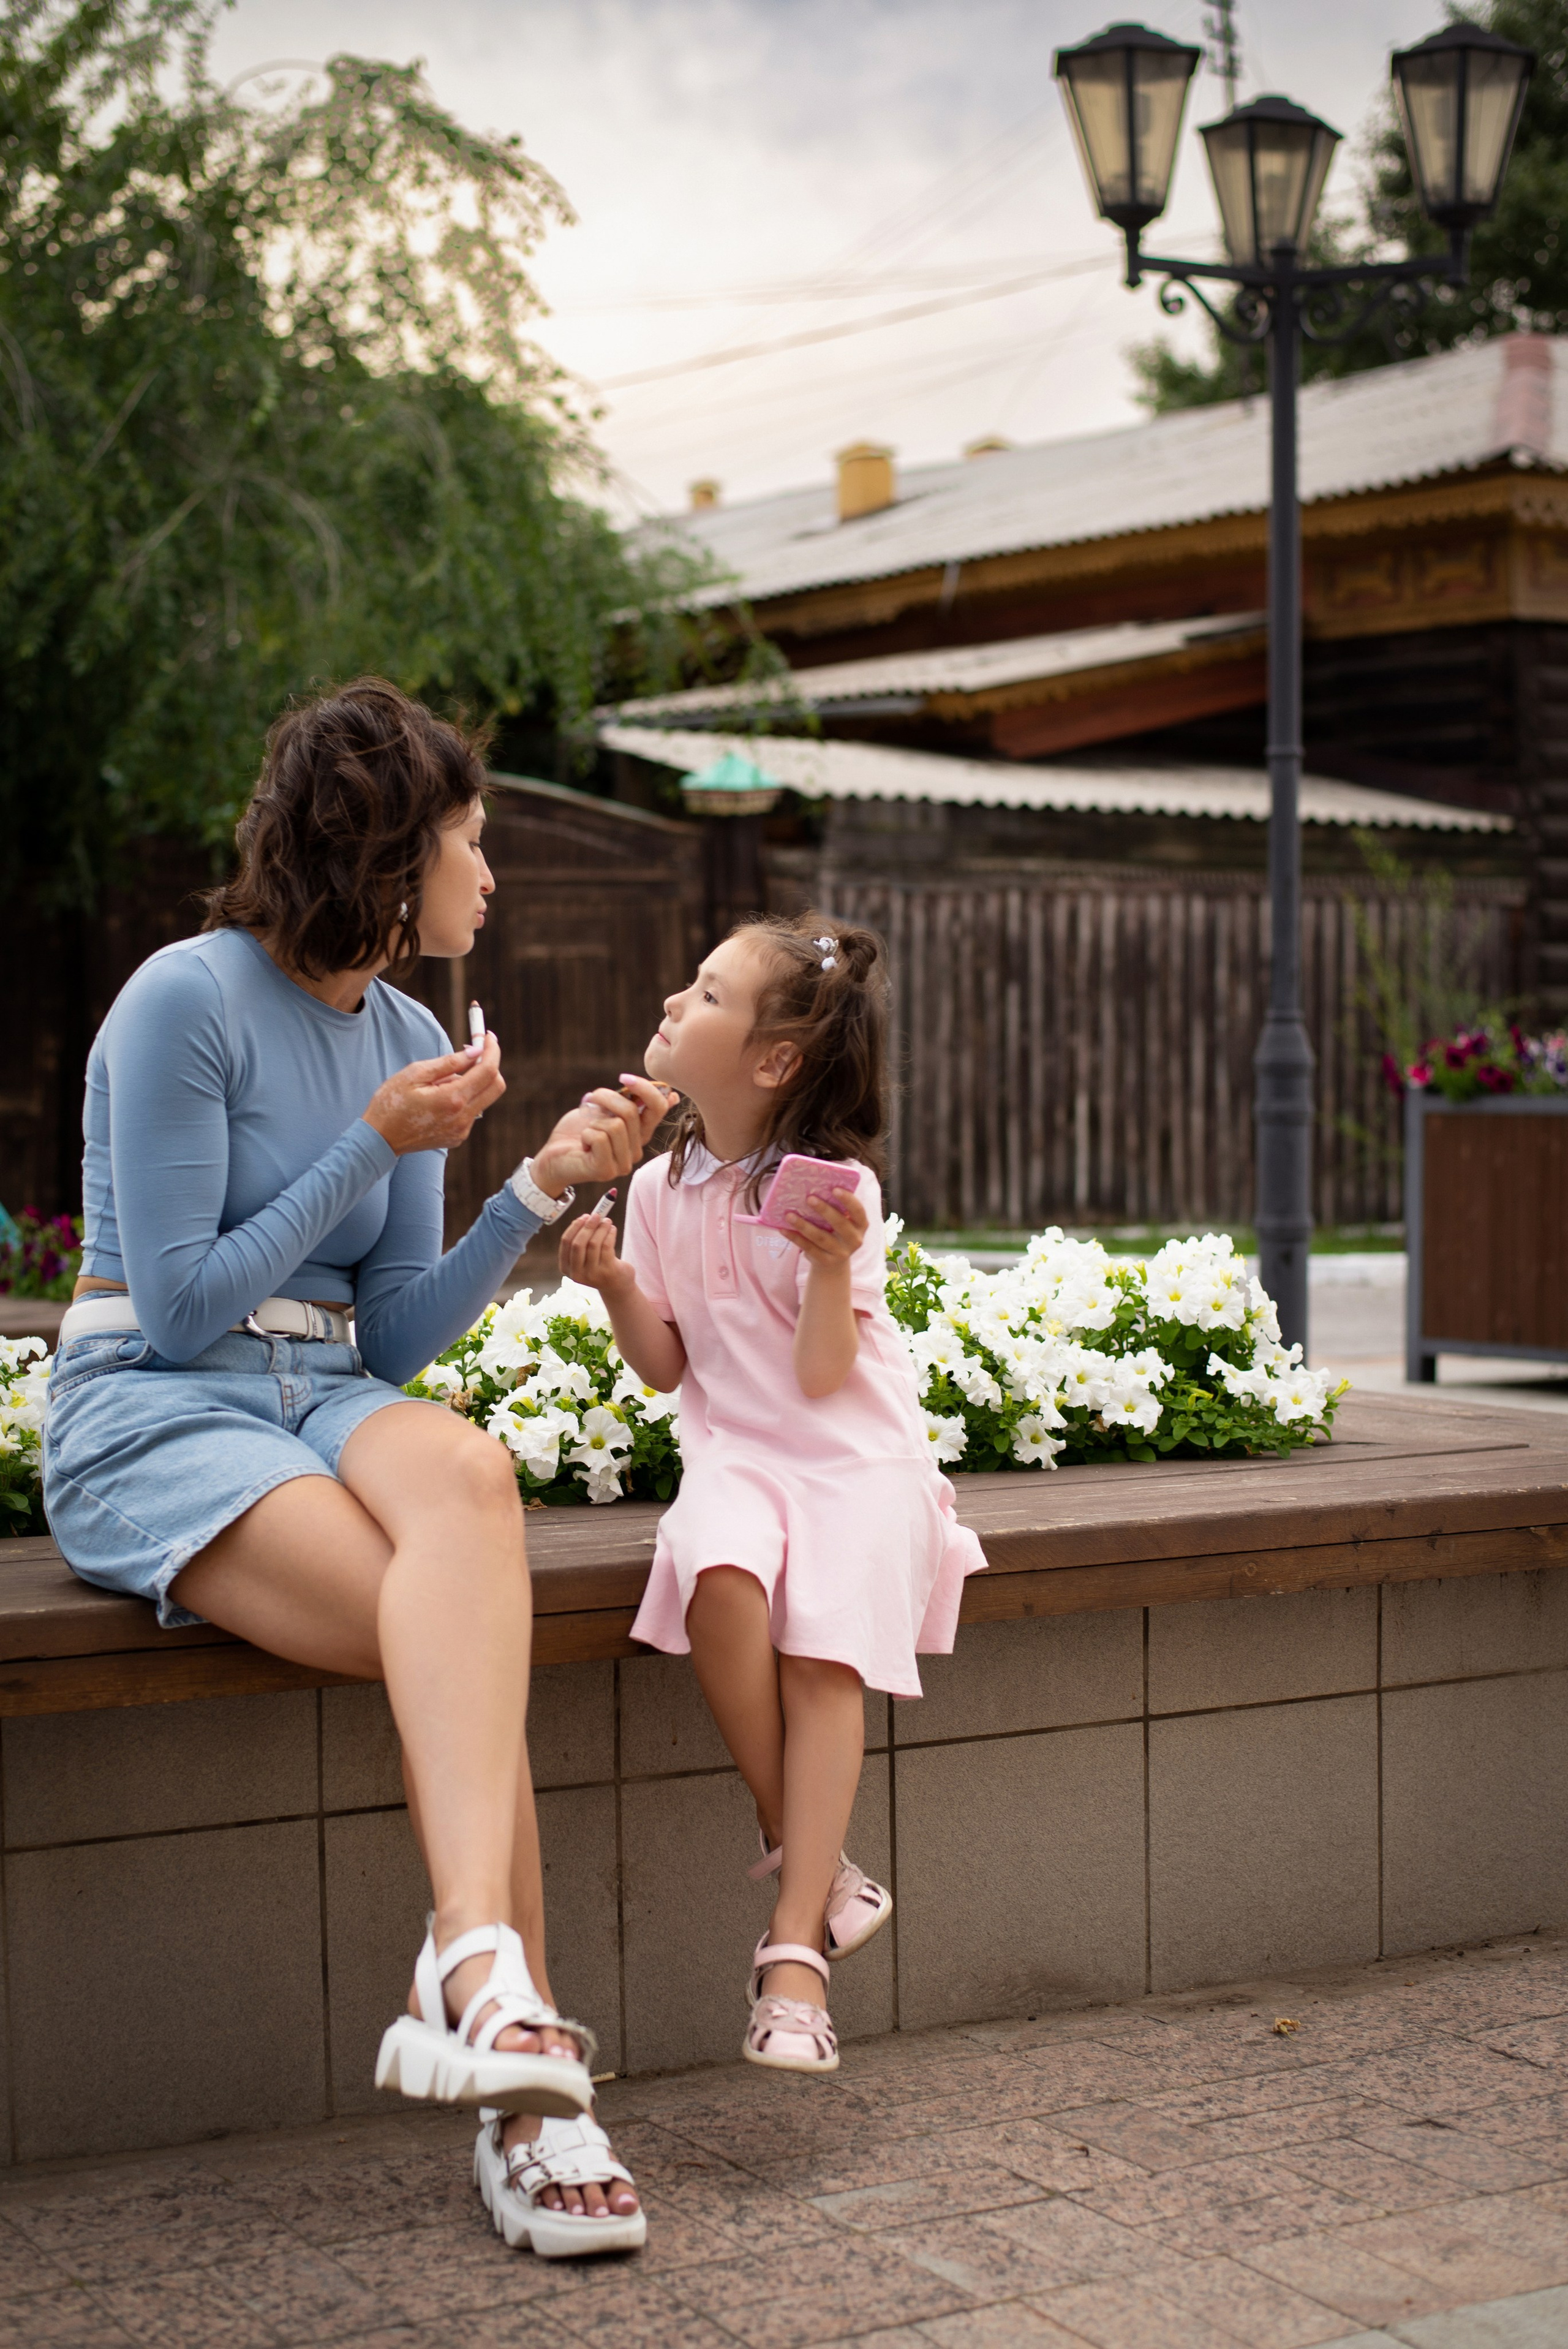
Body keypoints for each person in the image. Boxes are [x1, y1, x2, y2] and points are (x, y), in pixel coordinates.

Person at [43, 678, 660, 2258]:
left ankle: (472, 1969)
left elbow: (382, 1340)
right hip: (155, 1404)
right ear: (387, 857)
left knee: (462, 1485)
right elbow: (177, 1306)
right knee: (459, 1630)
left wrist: (525, 1189)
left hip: (317, 1390)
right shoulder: (184, 999)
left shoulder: (404, 1031)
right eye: (470, 840)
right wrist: (374, 1144)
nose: (489, 874)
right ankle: (531, 2104)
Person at [560, 912, 986, 2072]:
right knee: (722, 1583)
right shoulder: (657, 1189)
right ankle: (816, 1855)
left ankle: (794, 1950)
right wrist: (610, 1290)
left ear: (772, 1061)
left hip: (853, 1454)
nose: (673, 1003)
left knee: (820, 1653)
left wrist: (838, 1262)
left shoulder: (833, 1192)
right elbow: (669, 1365)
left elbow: (822, 1372)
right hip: (738, 1450)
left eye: (704, 994)